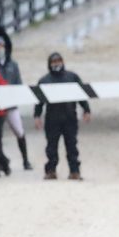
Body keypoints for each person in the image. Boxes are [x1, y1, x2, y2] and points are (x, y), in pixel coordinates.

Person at [33, 52, 91, 180]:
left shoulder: (72, 77)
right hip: (52, 119)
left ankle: (74, 171)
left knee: (72, 146)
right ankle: (51, 171)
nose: (56, 64)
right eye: (54, 62)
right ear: (49, 64)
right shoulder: (44, 81)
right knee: (51, 147)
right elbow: (39, 101)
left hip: (70, 118)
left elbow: (81, 95)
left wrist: (86, 110)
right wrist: (37, 116)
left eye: (59, 61)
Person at [0, 36, 32, 170]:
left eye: (1, 46)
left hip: (11, 105)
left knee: (19, 132)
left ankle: (26, 160)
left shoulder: (13, 65)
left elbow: (18, 83)